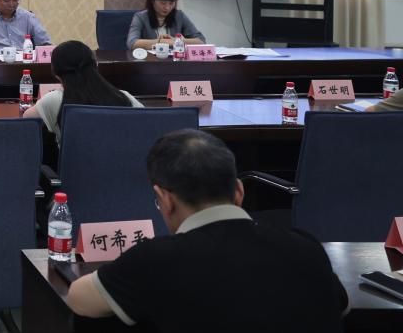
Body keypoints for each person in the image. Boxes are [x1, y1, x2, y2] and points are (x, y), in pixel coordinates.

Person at [66, 129, 347, 331]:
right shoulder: (307, 248)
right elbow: (341, 306)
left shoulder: (156, 260)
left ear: (165, 200)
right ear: (239, 191)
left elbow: (78, 298)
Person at [22, 40, 142, 141]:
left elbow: (27, 119)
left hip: (74, 163)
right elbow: (146, 123)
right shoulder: (124, 97)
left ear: (56, 73)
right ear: (95, 65)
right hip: (122, 162)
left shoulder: (54, 100)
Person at [127, 0, 205, 51]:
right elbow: (132, 43)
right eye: (163, 3)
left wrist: (177, 41)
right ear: (152, 0)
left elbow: (201, 41)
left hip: (174, 60)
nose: (167, 8)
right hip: (150, 60)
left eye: (171, 3)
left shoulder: (179, 16)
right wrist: (161, 41)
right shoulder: (141, 17)